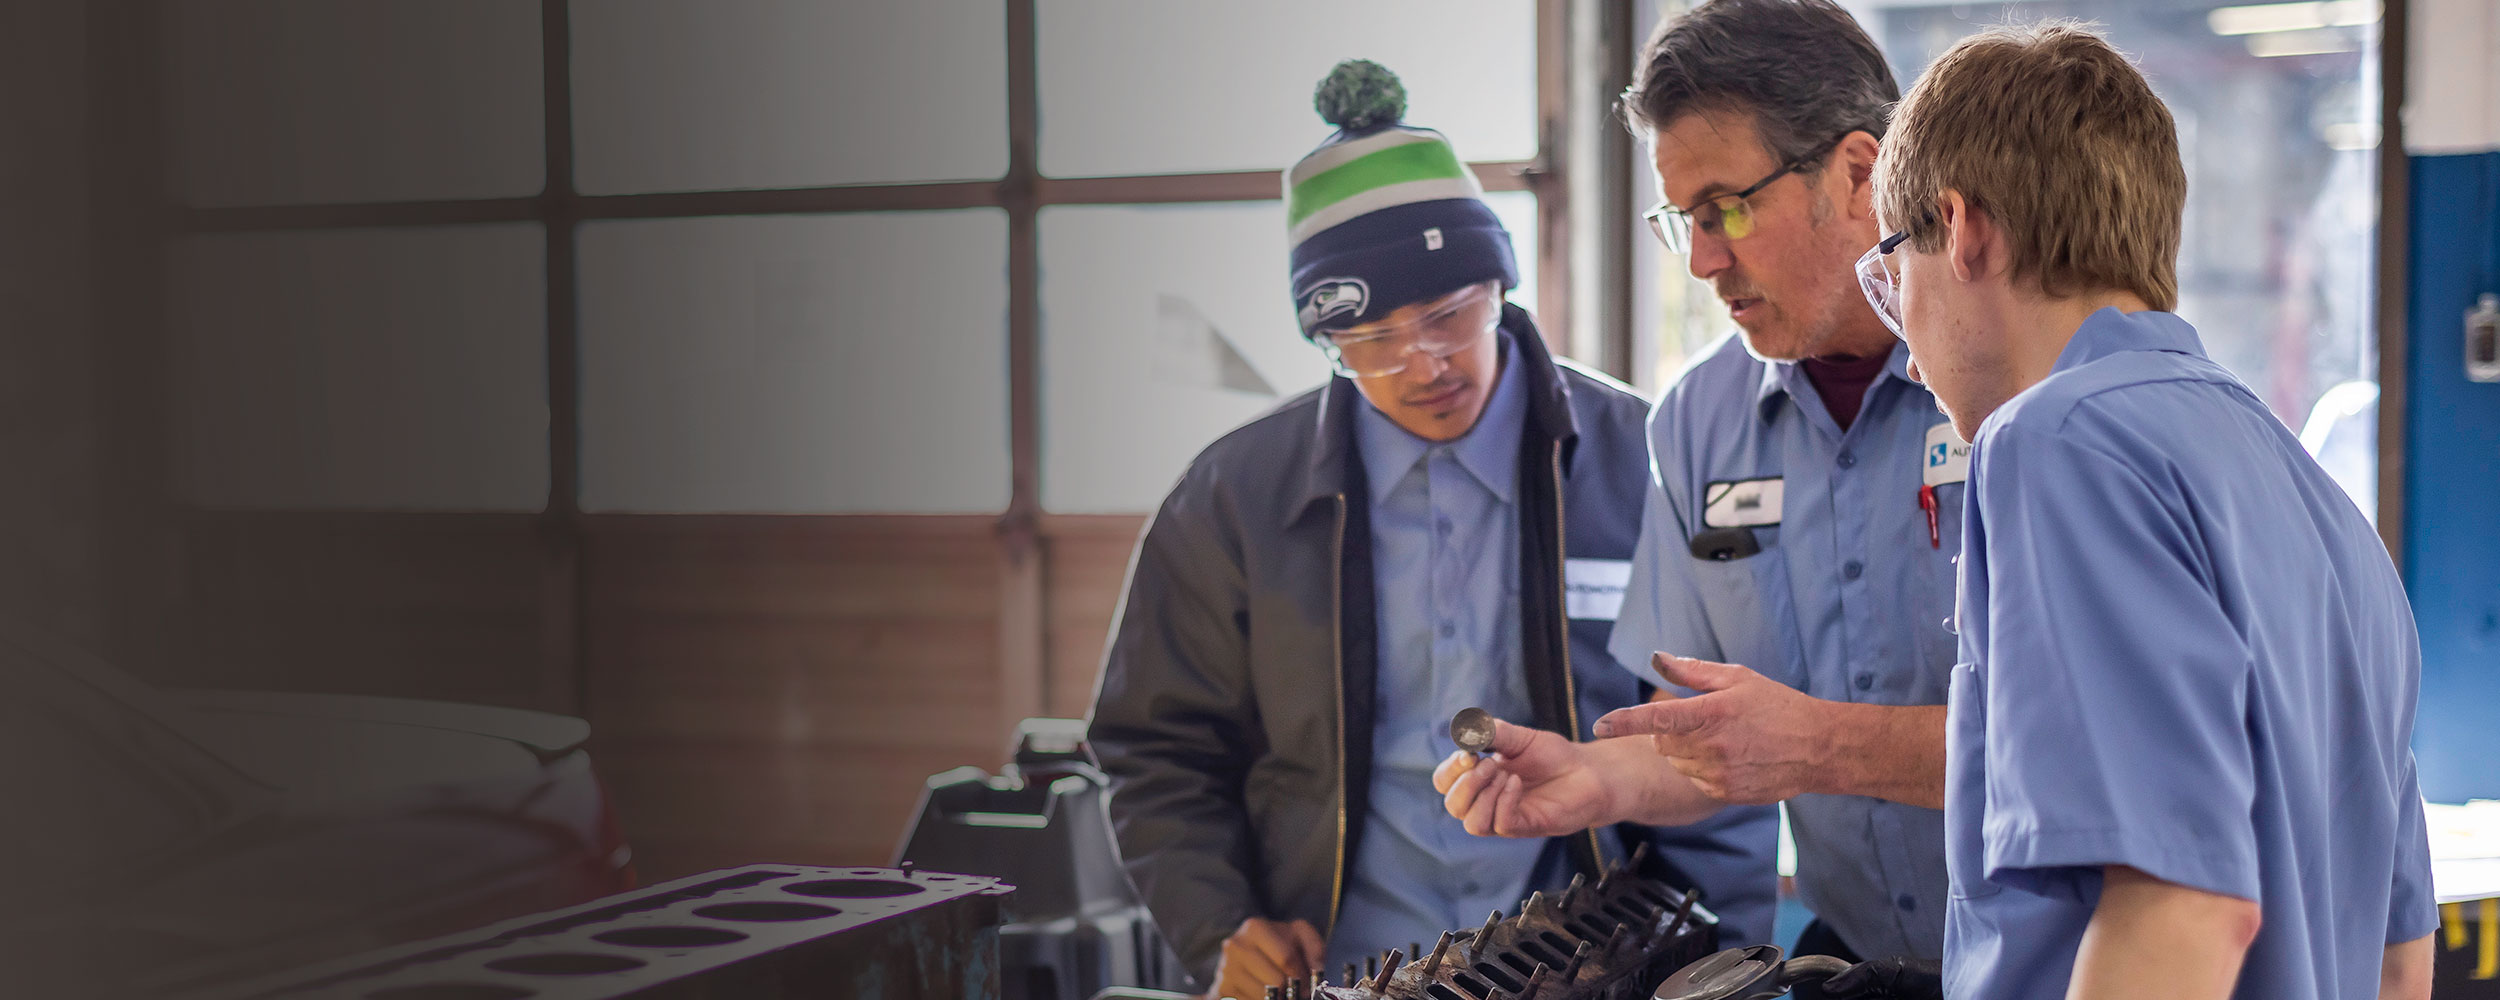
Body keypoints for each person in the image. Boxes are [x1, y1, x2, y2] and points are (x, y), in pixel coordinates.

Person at [1086, 60, 1775, 1000]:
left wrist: (1716, 965)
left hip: (1589, 966)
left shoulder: (1643, 461)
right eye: (1371, 342)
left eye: (1450, 316)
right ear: (1325, 343)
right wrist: (1221, 927)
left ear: (1500, 285)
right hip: (1339, 968)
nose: (1424, 364)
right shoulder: (1232, 500)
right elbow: (1154, 747)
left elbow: (1718, 733)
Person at [1853, 22, 2435, 999]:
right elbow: (2396, 954)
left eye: (1890, 277)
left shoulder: (2053, 443)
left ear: (1962, 231)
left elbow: (2183, 904)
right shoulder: (2315, 503)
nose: (1906, 353)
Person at [1439, 0, 1959, 973]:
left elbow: (2093, 748)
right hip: (1860, 964)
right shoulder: (1698, 424)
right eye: (1682, 222)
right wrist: (1591, 778)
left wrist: (1821, 746)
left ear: (1855, 173)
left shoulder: (2013, 383)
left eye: (1726, 208)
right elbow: (1722, 750)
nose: (1705, 261)